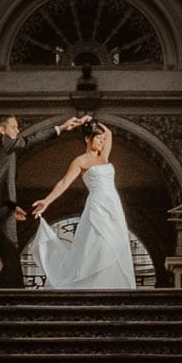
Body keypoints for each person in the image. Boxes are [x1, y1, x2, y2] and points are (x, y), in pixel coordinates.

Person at [0, 111, 83, 288]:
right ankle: (18, 293)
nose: (18, 131)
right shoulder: (2, 142)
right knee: (10, 248)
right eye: (14, 127)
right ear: (2, 130)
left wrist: (11, 204)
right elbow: (29, 141)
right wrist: (60, 128)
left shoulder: (0, 149)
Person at [30, 119, 137, 291]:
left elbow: (109, 133)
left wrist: (91, 119)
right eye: (98, 139)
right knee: (99, 245)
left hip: (113, 206)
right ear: (87, 139)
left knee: (115, 244)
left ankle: (111, 287)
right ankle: (94, 286)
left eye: (103, 140)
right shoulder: (80, 161)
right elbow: (64, 182)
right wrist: (47, 201)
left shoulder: (104, 157)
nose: (102, 142)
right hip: (97, 206)